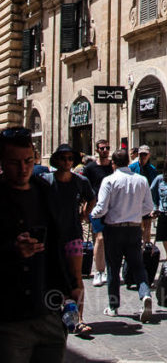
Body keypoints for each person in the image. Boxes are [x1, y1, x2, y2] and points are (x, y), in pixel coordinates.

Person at [0, 126, 76, 363]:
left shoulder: (44, 190)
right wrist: (12, 249)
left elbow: (57, 243)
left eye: (28, 160)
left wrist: (70, 289)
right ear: (2, 162)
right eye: (14, 162)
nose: (23, 168)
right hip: (9, 317)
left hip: (48, 313)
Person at [91, 148, 156, 323]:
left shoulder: (109, 180)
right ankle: (145, 295)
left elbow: (102, 207)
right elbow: (149, 207)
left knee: (113, 267)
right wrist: (135, 213)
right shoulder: (141, 180)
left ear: (113, 163)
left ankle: (113, 306)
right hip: (134, 228)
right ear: (128, 161)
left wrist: (93, 214)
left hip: (114, 229)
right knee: (138, 265)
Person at [43, 144, 96, 336]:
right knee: (53, 275)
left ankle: (79, 319)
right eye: (63, 158)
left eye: (70, 159)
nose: (67, 162)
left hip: (73, 234)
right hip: (51, 238)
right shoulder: (46, 181)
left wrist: (84, 214)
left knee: (76, 276)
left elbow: (92, 198)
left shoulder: (80, 181)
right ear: (56, 161)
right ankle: (58, 313)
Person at [82, 138, 113, 287]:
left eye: (107, 148)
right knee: (99, 238)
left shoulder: (113, 167)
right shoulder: (90, 168)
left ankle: (107, 269)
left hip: (113, 208)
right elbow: (85, 189)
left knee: (109, 240)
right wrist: (85, 207)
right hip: (96, 207)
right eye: (102, 148)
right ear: (97, 150)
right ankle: (99, 271)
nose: (105, 150)